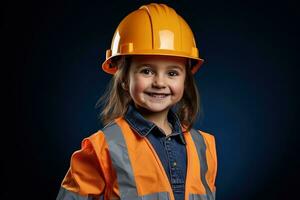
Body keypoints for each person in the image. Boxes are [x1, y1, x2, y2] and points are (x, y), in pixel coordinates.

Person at [56, 3, 217, 200]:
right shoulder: (102, 147)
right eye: (146, 71)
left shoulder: (204, 146)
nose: (159, 82)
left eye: (172, 73)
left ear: (185, 80)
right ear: (124, 78)